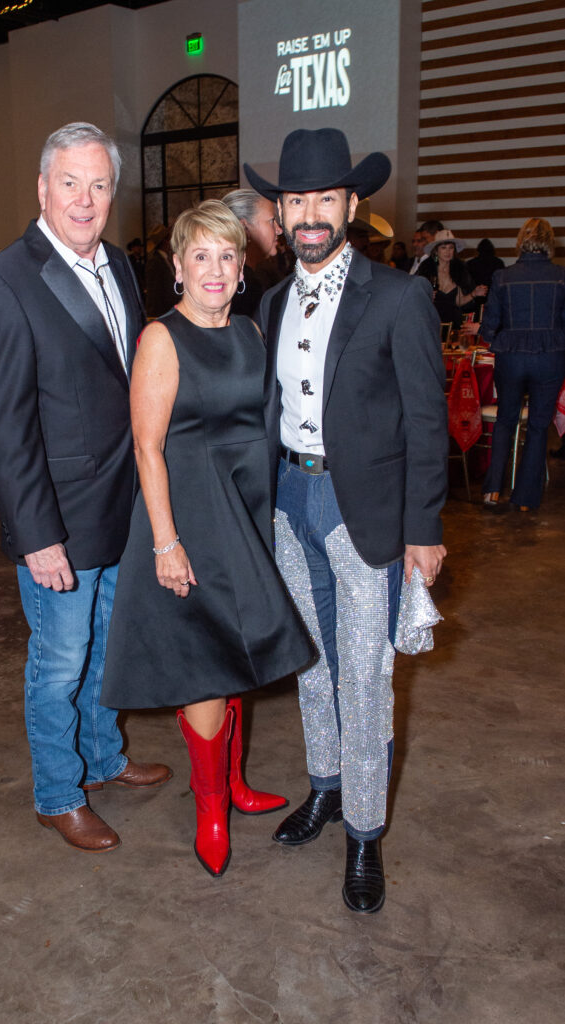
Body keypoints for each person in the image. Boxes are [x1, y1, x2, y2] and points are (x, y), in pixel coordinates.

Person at [245, 128, 448, 914]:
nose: (310, 214)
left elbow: (427, 422)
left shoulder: (398, 297)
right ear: (281, 209)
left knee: (364, 678)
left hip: (365, 514)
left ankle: (364, 833)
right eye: (296, 199)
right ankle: (324, 789)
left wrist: (422, 529)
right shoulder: (268, 297)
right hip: (289, 505)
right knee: (311, 665)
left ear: (351, 204)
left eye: (325, 197)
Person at [0, 122, 172, 854]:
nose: (85, 199)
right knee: (58, 661)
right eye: (71, 183)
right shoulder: (4, 279)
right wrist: (35, 534)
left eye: (100, 184)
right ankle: (57, 792)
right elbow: (3, 423)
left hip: (121, 507)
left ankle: (103, 758)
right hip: (58, 517)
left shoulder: (117, 264)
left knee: (105, 650)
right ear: (43, 187)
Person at [100, 201, 314, 877]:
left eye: (227, 255)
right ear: (177, 268)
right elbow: (147, 447)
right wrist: (165, 542)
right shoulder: (162, 339)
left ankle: (237, 782)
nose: (215, 269)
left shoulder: (251, 333)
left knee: (238, 647)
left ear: (241, 265)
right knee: (203, 660)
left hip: (245, 512)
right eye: (200, 256)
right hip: (188, 518)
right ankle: (211, 804)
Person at [481, 218, 565, 510]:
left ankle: (492, 490)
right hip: (550, 356)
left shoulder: (502, 277)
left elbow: (489, 326)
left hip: (511, 355)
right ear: (549, 242)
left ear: (521, 241)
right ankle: (526, 498)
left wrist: (498, 338)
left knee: (505, 420)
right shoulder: (560, 276)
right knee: (540, 427)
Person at [221, 188, 282, 316]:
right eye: (272, 221)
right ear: (244, 228)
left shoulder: (238, 280)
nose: (279, 230)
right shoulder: (243, 287)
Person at [417, 229, 487, 327]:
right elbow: (415, 298)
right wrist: (426, 297)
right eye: (443, 248)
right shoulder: (426, 269)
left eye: (451, 248)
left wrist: (474, 294)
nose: (448, 251)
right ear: (436, 251)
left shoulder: (459, 270)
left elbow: (459, 302)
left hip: (453, 324)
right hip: (431, 323)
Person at [144, 223, 175, 318]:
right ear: (165, 241)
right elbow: (154, 293)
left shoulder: (166, 260)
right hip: (162, 314)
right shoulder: (155, 262)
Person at [466, 238, 504, 302]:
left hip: (475, 297)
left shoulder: (470, 263)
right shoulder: (498, 263)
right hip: (493, 297)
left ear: (478, 250)